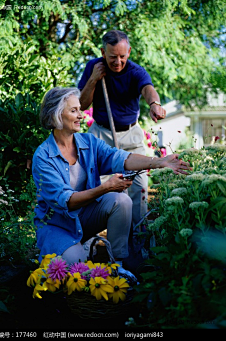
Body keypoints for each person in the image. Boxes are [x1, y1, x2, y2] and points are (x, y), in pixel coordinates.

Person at [32, 87, 189, 274]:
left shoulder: (88, 142)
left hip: (85, 217)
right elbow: (68, 201)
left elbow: (121, 157)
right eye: (73, 110)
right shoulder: (43, 157)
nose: (81, 116)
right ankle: (79, 248)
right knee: (76, 265)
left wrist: (158, 162)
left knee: (121, 200)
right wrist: (105, 188)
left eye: (79, 110)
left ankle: (118, 266)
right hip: (59, 225)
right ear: (56, 115)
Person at [78, 30, 166, 227]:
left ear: (129, 52)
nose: (118, 62)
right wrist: (93, 79)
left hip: (130, 136)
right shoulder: (93, 67)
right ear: (103, 52)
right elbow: (82, 106)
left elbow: (148, 89)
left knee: (140, 187)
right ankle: (96, 237)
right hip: (101, 134)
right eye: (112, 57)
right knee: (97, 186)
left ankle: (139, 238)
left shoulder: (136, 71)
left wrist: (154, 105)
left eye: (122, 56)